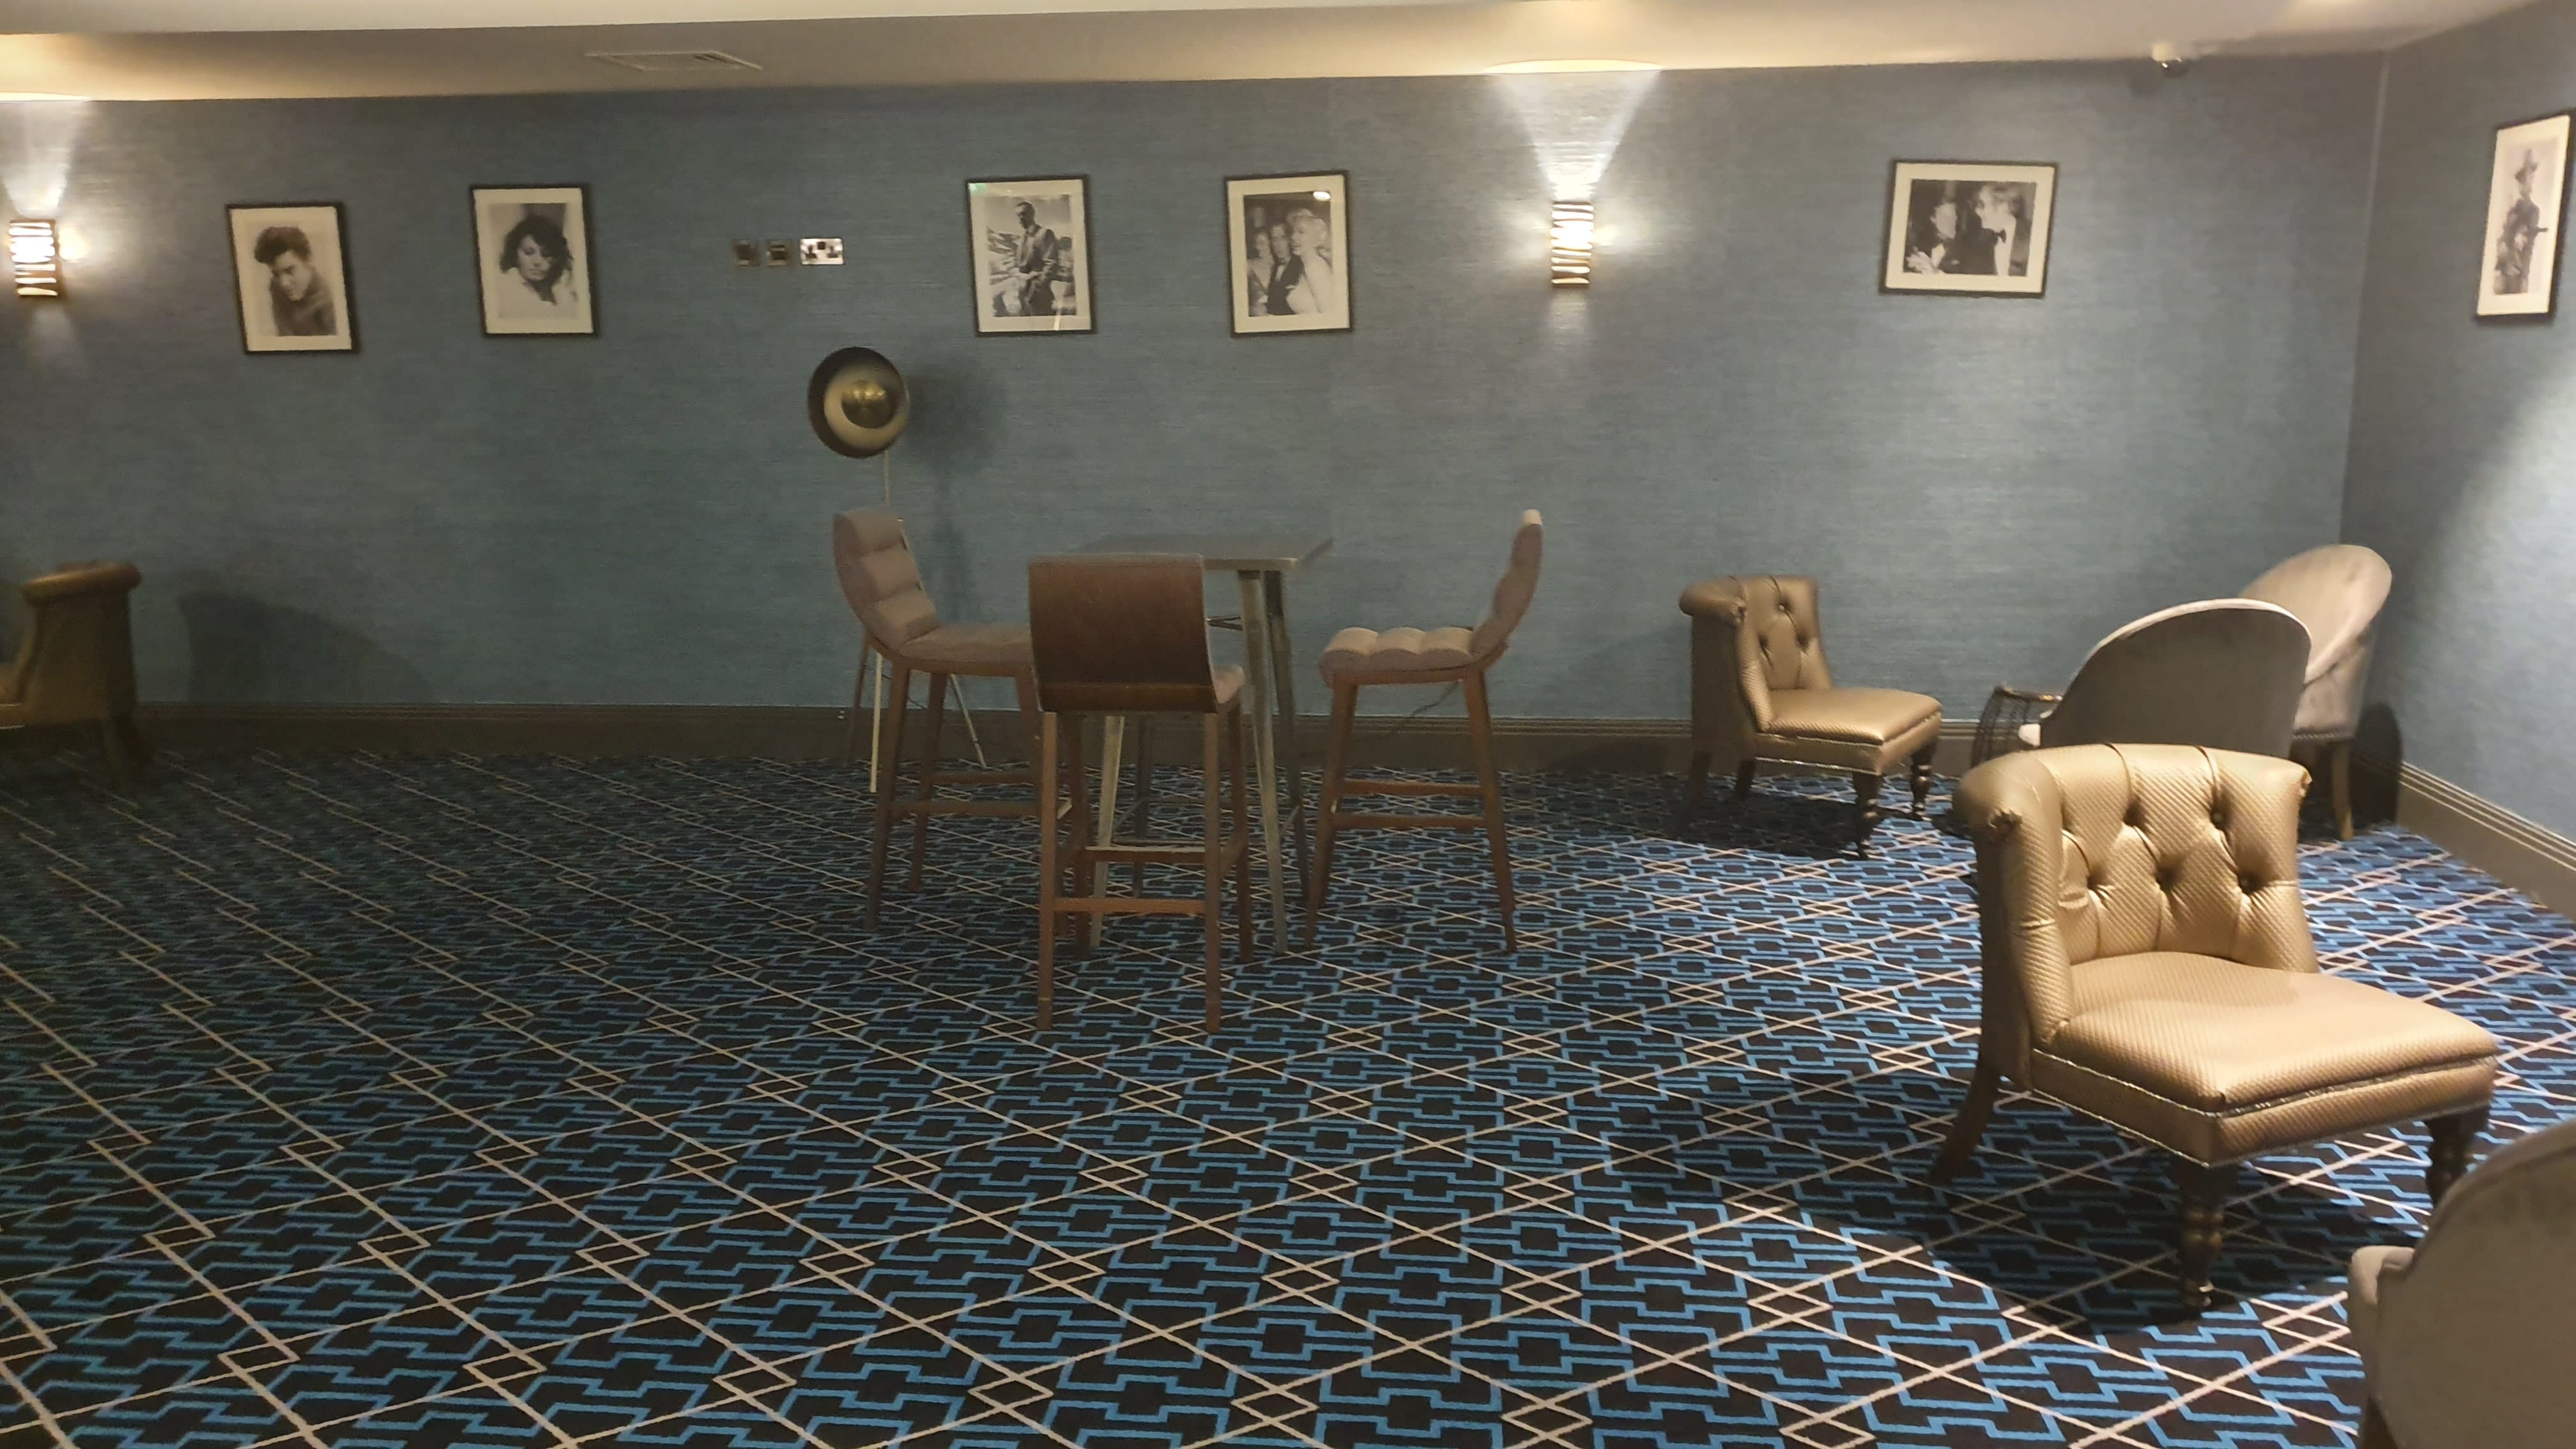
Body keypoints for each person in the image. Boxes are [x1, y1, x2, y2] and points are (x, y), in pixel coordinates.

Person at [254, 226, 337, 337]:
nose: (284, 283)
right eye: (276, 274)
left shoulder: (330, 302)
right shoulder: (276, 287)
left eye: (290, 271)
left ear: (307, 261)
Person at [495, 211, 579, 316]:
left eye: (546, 254)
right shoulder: (504, 287)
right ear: (514, 253)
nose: (537, 262)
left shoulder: (559, 289)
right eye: (529, 253)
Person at [2496, 150, 2545, 295]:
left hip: (2518, 272)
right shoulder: (2513, 211)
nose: (2525, 184)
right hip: (2505, 270)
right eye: (2522, 180)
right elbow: (2504, 238)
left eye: (2529, 178)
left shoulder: (2532, 210)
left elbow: (2525, 244)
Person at [1278, 205, 1339, 317]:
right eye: (1293, 231)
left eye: (1301, 232)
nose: (1293, 237)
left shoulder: (1315, 266)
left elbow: (1330, 315)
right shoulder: (1306, 266)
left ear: (1316, 237)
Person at [1008, 201, 1061, 318]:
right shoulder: (1022, 239)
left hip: (1039, 295)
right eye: (1018, 215)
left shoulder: (1044, 234)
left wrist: (1038, 285)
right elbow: (1020, 263)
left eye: (1024, 214)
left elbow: (1051, 263)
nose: (1021, 218)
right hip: (1023, 294)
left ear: (1032, 214)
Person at [1243, 206, 1275, 316]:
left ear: (1271, 243)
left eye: (1262, 243)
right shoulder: (1249, 265)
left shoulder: (1281, 267)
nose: (1257, 247)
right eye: (1256, 243)